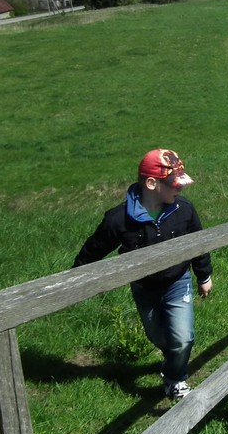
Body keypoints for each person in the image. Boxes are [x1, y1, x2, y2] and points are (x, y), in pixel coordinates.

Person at [74, 149, 213, 401]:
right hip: (144, 288)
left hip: (177, 281)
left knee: (182, 339)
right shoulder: (119, 219)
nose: (179, 190)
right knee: (159, 337)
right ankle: (172, 360)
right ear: (151, 183)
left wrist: (203, 276)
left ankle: (174, 380)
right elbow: (94, 249)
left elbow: (199, 244)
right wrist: (75, 280)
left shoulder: (184, 210)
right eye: (173, 184)